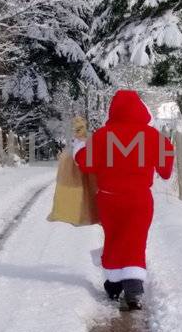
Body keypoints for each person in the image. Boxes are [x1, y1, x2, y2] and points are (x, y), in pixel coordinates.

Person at [72, 90, 175, 311]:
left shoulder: (102, 136)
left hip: (109, 199)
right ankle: (134, 286)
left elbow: (84, 163)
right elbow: (166, 171)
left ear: (113, 110)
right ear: (140, 109)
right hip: (140, 198)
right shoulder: (153, 136)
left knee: (114, 237)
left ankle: (113, 283)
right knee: (136, 238)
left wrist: (79, 146)